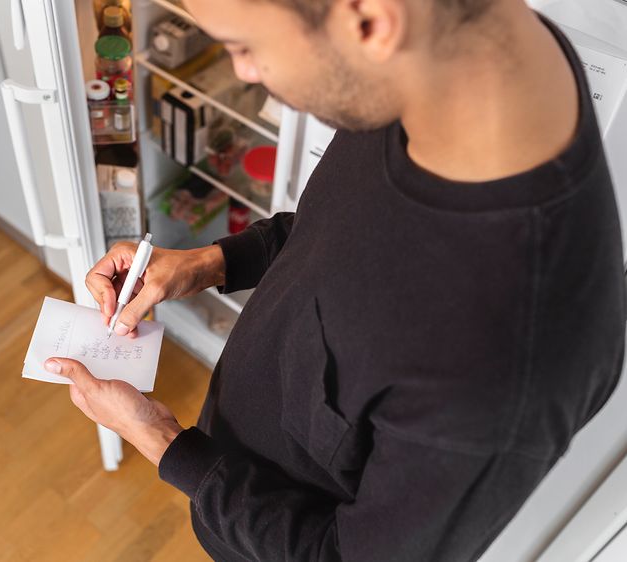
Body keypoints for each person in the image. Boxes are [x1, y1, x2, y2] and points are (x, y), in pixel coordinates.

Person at [42, 0, 626, 559]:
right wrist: (209, 263)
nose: (246, 74)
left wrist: (162, 440)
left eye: (246, 48)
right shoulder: (448, 66)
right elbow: (342, 227)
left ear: (370, 23)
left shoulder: (504, 369)